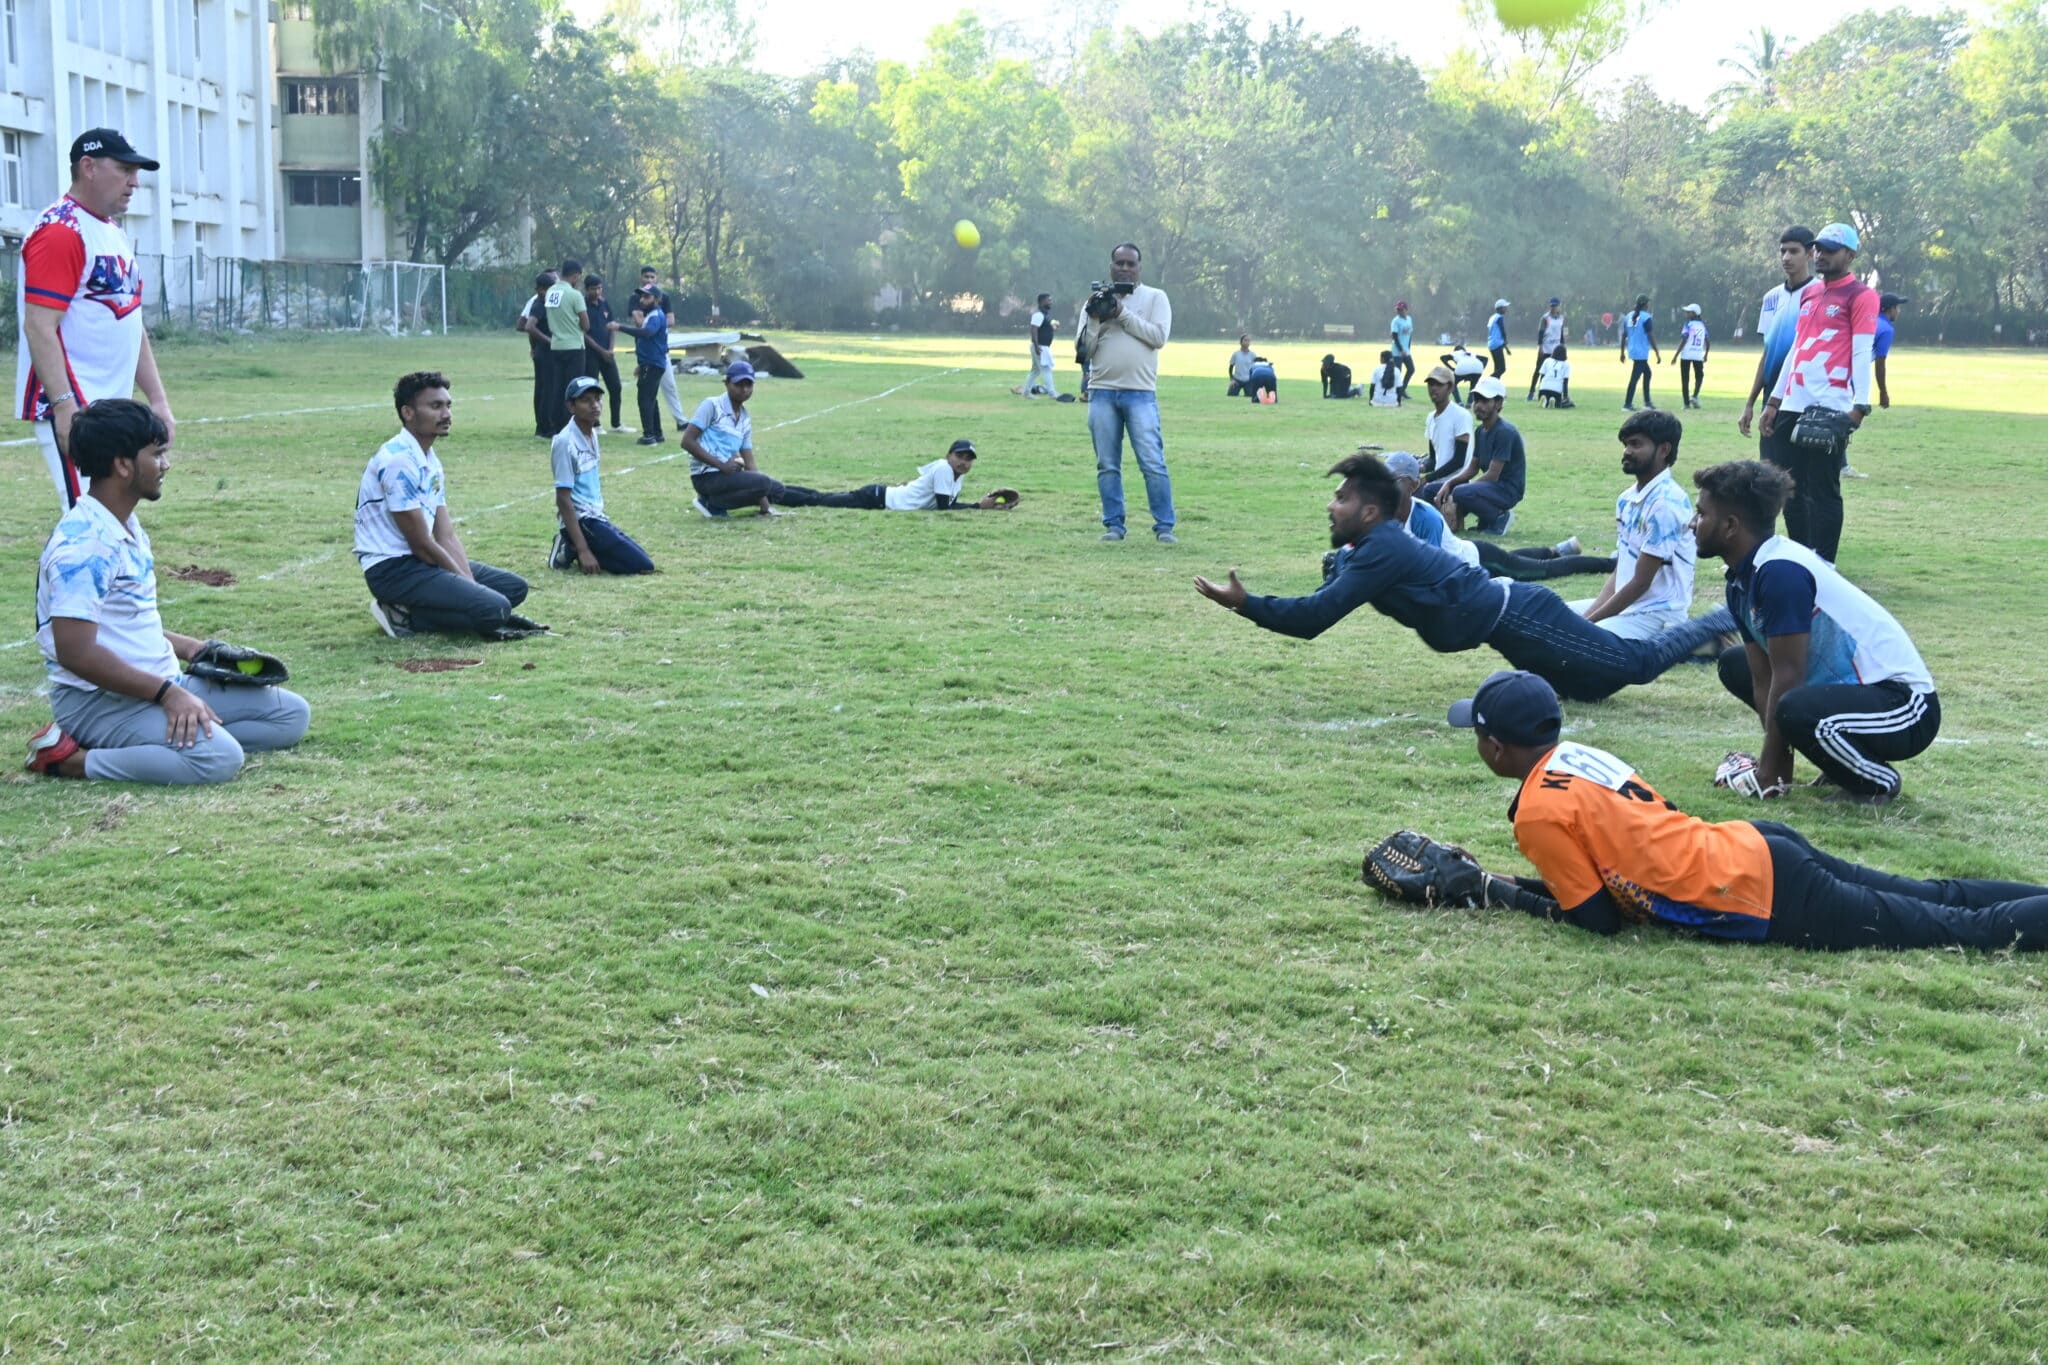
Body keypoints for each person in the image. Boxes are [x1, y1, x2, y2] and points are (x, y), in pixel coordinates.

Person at [1438, 669, 2048, 951]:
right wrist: (1512, 881)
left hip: (1757, 890)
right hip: (1755, 845)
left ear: (1496, 747)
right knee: (1935, 895)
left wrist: (1497, 891)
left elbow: (1597, 918)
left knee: (1955, 930)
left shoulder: (1537, 813)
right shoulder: (1575, 754)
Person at [1192, 451, 1732, 702]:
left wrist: (1246, 603)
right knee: (1589, 692)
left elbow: (1313, 618)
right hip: (1511, 630)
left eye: (1343, 498)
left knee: (1634, 666)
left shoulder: (1380, 548)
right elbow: (1323, 600)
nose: (1331, 506)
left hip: (1522, 616)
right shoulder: (1371, 546)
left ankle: (1725, 616)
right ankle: (1709, 637)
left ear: (1373, 512)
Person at [24, 399, 311, 783]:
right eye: (157, 454)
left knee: (289, 715)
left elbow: (119, 626)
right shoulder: (84, 547)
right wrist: (168, 696)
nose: (166, 465)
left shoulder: (122, 524)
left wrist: (192, 648)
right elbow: (76, 651)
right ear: (123, 465)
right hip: (98, 702)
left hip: (157, 683)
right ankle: (70, 760)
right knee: (219, 760)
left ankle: (172, 743)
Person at [1693, 459, 1936, 805]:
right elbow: (1764, 676)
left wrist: (1766, 772)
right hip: (1853, 696)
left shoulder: (1780, 572)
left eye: (1701, 514)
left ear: (1731, 526)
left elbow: (1788, 676)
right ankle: (1840, 763)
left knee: (1794, 706)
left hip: (1906, 706)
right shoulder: (1740, 579)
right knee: (1735, 665)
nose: (1692, 523)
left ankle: (1877, 783)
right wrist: (1776, 770)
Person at [17, 128, 176, 512]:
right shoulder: (61, 230)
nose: (135, 181)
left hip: (108, 407)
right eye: (124, 169)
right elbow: (39, 326)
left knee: (111, 521)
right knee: (90, 519)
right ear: (87, 167)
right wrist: (66, 409)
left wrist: (157, 400)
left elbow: (130, 322)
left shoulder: (110, 232)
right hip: (76, 406)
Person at [355, 371, 535, 639]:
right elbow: (421, 544)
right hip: (393, 569)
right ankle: (403, 615)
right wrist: (471, 587)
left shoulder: (429, 459)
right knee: (494, 607)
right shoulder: (398, 461)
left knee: (514, 587)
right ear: (408, 412)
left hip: (419, 562)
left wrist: (471, 585)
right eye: (435, 406)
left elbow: (445, 535)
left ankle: (418, 609)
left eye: (448, 405)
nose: (446, 414)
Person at [1758, 222, 1877, 563]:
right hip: (1793, 401)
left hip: (1830, 404)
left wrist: (1859, 406)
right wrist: (1774, 401)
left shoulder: (1861, 296)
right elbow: (1797, 348)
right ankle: (1801, 556)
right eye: (1818, 248)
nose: (1821, 255)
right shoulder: (1810, 293)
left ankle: (1825, 564)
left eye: (1830, 249)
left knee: (1823, 490)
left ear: (1850, 255)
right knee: (1790, 488)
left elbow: (1861, 349)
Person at [1570, 409, 1707, 641]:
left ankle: (1686, 640)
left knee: (1581, 642)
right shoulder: (1627, 498)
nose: (1627, 452)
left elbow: (1641, 582)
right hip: (1628, 608)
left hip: (1658, 615)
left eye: (1635, 444)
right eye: (1625, 444)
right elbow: (1622, 570)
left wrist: (1587, 625)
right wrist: (1586, 620)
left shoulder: (1666, 503)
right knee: (1551, 616)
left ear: (1664, 449)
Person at [1383, 451, 1610, 582]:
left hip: (1478, 563)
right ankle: (1557, 550)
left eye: (1395, 480)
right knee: (1513, 559)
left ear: (1413, 484)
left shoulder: (1425, 517)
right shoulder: (1386, 513)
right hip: (1473, 550)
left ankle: (1612, 564)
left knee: (1539, 570)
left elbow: (1429, 573)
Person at [1081, 243, 1177, 543]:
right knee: (1107, 463)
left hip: (1140, 393)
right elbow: (1084, 351)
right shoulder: (1096, 301)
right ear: (1110, 266)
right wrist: (1096, 319)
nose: (1124, 268)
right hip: (1102, 392)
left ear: (1139, 268)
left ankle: (1164, 527)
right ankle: (1114, 526)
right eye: (1119, 263)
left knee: (1152, 461)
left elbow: (1158, 337)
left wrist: (1121, 314)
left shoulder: (1155, 297)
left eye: (1130, 264)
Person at [548, 376, 656, 576]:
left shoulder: (592, 432)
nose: (594, 405)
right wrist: (584, 550)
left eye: (597, 399)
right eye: (586, 400)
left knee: (641, 560)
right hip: (583, 520)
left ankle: (571, 547)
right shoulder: (564, 442)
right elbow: (562, 499)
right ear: (571, 406)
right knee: (642, 565)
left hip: (597, 517)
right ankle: (572, 545)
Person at [682, 360, 803, 519]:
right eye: (739, 384)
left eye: (749, 385)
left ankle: (714, 503)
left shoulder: (745, 419)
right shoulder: (711, 405)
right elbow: (687, 441)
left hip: (727, 476)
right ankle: (711, 502)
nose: (744, 390)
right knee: (764, 483)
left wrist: (764, 506)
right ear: (726, 383)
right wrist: (721, 465)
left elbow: (749, 462)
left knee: (777, 489)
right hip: (706, 477)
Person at [775, 439, 1016, 511]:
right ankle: (775, 492)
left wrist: (980, 504)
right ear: (949, 455)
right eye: (960, 457)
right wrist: (977, 507)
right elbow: (943, 509)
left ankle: (775, 489)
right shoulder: (944, 468)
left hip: (880, 496)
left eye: (968, 459)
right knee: (817, 500)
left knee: (820, 497)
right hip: (877, 498)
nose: (964, 463)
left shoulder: (955, 474)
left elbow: (947, 504)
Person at [1421, 377, 1523, 535]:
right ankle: (1448, 524)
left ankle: (1499, 517)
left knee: (1462, 492)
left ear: (1498, 404)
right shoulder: (1480, 431)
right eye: (1476, 400)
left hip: (1507, 489)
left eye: (1484, 401)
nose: (1478, 406)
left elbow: (1493, 475)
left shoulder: (1505, 432)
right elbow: (1473, 468)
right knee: (1430, 490)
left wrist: (1463, 488)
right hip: (1489, 487)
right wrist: (1449, 483)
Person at [611, 286, 670, 444]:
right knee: (651, 399)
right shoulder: (652, 315)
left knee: (644, 399)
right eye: (642, 297)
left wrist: (620, 327)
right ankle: (657, 433)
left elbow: (647, 333)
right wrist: (641, 363)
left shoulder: (655, 316)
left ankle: (649, 436)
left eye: (647, 297)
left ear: (657, 299)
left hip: (653, 364)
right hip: (651, 363)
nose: (642, 300)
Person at [541, 260, 592, 437]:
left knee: (558, 387)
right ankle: (571, 424)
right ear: (575, 275)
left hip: (556, 345)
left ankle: (556, 424)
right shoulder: (574, 295)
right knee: (574, 388)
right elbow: (586, 325)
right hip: (574, 347)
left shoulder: (550, 293)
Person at [638, 265, 687, 429]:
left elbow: (669, 321)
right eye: (646, 277)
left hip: (659, 350)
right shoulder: (636, 298)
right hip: (645, 352)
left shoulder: (662, 299)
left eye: (652, 277)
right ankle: (653, 431)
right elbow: (638, 321)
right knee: (648, 393)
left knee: (667, 386)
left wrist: (656, 324)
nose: (649, 280)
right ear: (641, 278)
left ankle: (679, 421)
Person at [580, 273, 629, 433]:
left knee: (615, 386)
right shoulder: (583, 305)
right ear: (587, 289)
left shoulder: (604, 303)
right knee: (592, 389)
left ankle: (616, 423)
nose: (597, 292)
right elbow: (583, 333)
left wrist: (610, 349)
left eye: (600, 288)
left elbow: (612, 326)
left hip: (607, 353)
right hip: (591, 353)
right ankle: (595, 424)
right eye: (593, 289)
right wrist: (601, 350)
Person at [517, 271, 557, 439]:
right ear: (539, 289)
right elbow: (529, 327)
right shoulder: (539, 304)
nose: (547, 292)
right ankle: (544, 428)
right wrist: (548, 341)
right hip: (545, 352)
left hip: (543, 351)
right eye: (545, 289)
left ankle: (544, 427)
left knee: (545, 389)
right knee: (546, 390)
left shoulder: (548, 303)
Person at [1420, 365, 1473, 482]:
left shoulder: (1461, 416)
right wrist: (1419, 468)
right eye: (1431, 384)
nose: (1433, 388)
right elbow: (1433, 460)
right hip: (1437, 482)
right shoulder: (1430, 418)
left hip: (1455, 484)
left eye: (1439, 384)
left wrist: (1427, 479)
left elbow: (1459, 461)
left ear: (1450, 388)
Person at [1619, 294, 1661, 409]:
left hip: (1632, 350)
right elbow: (1651, 335)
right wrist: (1657, 352)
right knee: (1635, 378)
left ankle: (1647, 402)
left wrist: (1622, 353)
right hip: (1641, 351)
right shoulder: (1646, 317)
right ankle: (1627, 404)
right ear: (1646, 305)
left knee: (1647, 373)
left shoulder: (1628, 316)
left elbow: (1624, 335)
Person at [1527, 298, 1565, 401]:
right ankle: (1531, 392)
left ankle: (1544, 392)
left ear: (1559, 306)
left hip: (1556, 350)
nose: (1553, 308)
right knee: (1539, 370)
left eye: (1555, 306)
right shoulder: (1545, 318)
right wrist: (1540, 347)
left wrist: (1563, 346)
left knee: (1552, 372)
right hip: (1545, 348)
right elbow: (1541, 333)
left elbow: (1561, 334)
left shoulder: (1561, 318)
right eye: (1552, 306)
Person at [1024, 293, 1060, 397]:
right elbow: (1034, 330)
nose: (1051, 302)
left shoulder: (1046, 315)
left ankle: (1026, 392)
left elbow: (1045, 329)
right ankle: (1052, 392)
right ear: (1042, 302)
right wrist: (1036, 345)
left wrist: (1054, 328)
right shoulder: (1038, 315)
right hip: (1040, 346)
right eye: (1049, 300)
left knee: (1035, 371)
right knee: (1046, 369)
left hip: (1043, 346)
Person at [1875, 291, 1906, 410]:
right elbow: (1880, 363)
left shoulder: (1870, 320)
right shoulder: (1886, 329)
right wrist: (1883, 392)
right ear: (1890, 309)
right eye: (1897, 307)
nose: (1898, 311)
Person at [1676, 304, 1710, 409]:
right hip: (1698, 354)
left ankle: (1686, 404)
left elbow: (1684, 339)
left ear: (1694, 313)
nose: (1687, 313)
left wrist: (1676, 354)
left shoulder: (1688, 324)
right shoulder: (1703, 325)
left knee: (1685, 379)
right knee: (1699, 376)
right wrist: (1706, 354)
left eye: (1689, 312)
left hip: (1686, 354)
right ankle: (1695, 396)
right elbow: (1708, 341)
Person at [1389, 301, 1416, 398]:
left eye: (1401, 309)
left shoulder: (1409, 319)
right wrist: (1401, 350)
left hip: (1406, 350)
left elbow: (1410, 334)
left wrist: (1408, 348)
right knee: (1398, 373)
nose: (1399, 311)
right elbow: (1394, 337)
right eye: (1398, 310)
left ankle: (1402, 390)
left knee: (1411, 369)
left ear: (1406, 310)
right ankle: (1395, 393)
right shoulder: (1395, 321)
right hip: (1397, 352)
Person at [1536, 344, 1571, 408]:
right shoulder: (1566, 364)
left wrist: (1540, 389)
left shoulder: (1547, 360)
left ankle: (1544, 402)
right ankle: (1552, 403)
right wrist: (1565, 396)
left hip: (1543, 389)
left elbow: (1542, 376)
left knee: (1545, 398)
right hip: (1556, 391)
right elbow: (1565, 382)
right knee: (1566, 404)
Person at [1485, 298, 1511, 379]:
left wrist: (1506, 348)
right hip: (1496, 344)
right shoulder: (1499, 317)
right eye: (1505, 307)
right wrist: (1506, 340)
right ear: (1500, 308)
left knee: (1497, 368)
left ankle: (1495, 387)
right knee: (1502, 369)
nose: (1506, 309)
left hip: (1491, 344)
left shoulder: (1492, 317)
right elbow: (1502, 330)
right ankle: (1487, 381)